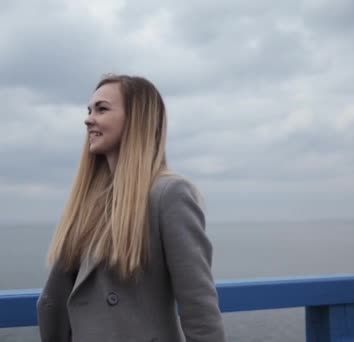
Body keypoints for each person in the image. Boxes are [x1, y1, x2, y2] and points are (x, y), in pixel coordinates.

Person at [37, 74, 226, 342]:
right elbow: (56, 299)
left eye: (101, 109)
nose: (88, 118)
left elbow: (199, 308)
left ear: (136, 119)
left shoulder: (170, 194)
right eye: (89, 110)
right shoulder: (90, 200)